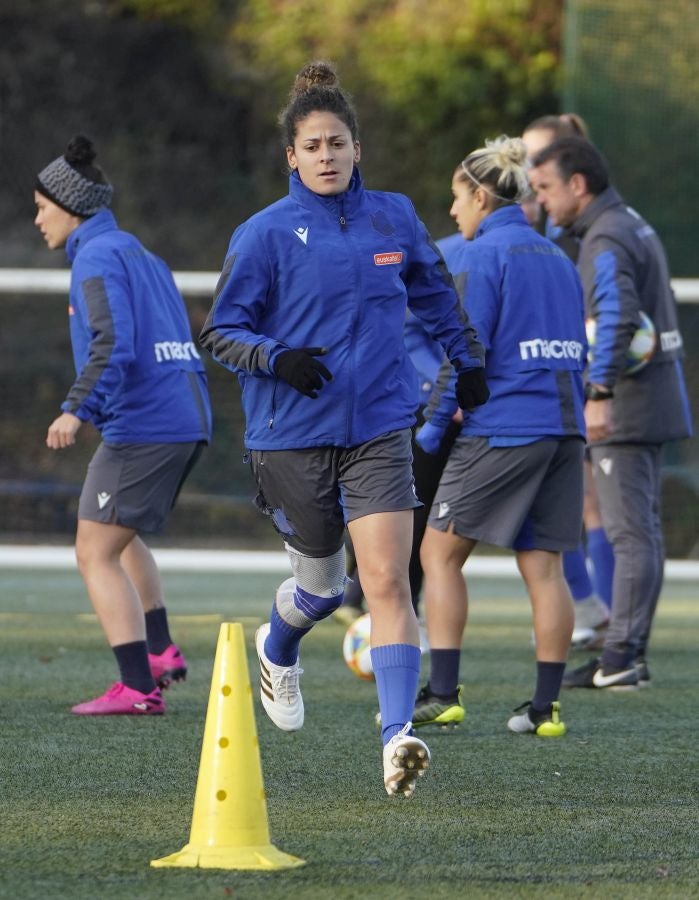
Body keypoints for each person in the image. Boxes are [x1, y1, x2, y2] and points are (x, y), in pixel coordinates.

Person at [199, 60, 488, 798]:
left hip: (380, 428)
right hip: (289, 435)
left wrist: (467, 361)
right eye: (312, 146)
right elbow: (220, 332)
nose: (326, 156)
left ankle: (397, 738)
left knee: (387, 579)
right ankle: (279, 645)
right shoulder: (264, 233)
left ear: (357, 148)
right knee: (323, 587)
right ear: (291, 157)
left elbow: (435, 295)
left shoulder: (393, 217)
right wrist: (279, 358)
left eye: (337, 143)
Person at [415, 135, 587, 736]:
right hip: (566, 429)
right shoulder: (558, 257)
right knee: (545, 568)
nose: (452, 210)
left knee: (438, 554)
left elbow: (466, 351)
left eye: (457, 198)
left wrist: (433, 426)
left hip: (506, 426)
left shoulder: (481, 256)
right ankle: (545, 709)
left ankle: (443, 693)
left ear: (482, 198)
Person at [34, 135, 212, 715]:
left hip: (147, 425)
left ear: (71, 207)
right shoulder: (138, 251)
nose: (37, 219)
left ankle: (137, 688)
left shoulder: (95, 257)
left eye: (42, 207)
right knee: (119, 534)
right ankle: (159, 651)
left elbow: (113, 343)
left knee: (93, 549)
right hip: (184, 416)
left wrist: (75, 408)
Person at [529, 136, 692, 689]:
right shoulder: (626, 222)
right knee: (641, 531)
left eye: (546, 188)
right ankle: (626, 654)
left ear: (577, 185)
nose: (542, 200)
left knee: (630, 534)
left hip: (627, 407)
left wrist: (597, 394)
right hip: (650, 399)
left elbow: (618, 314)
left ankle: (620, 656)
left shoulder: (606, 236)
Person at [523, 114, 613, 648]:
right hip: (562, 376)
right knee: (575, 502)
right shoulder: (544, 222)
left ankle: (602, 614)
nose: (528, 166)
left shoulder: (581, 230)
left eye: (535, 155)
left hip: (580, 376)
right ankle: (593, 611)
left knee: (589, 502)